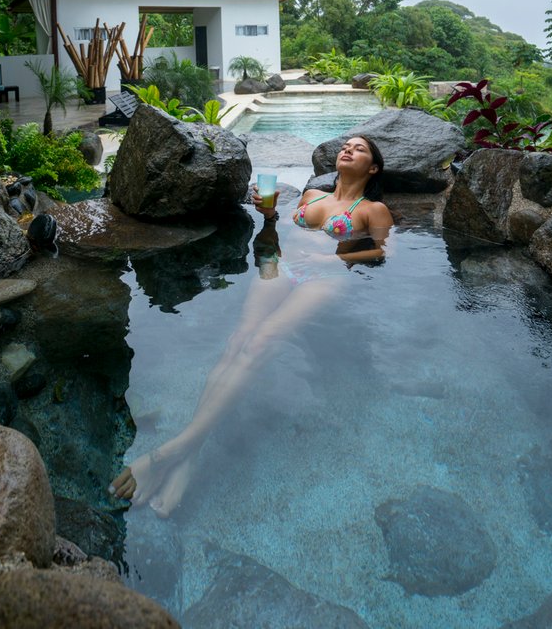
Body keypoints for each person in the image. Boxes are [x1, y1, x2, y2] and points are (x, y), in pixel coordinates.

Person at [109, 134, 393, 517]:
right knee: (238, 340)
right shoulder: (311, 197)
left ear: (372, 167)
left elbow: (382, 252)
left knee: (263, 340)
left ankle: (171, 451)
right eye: (347, 145)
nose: (348, 150)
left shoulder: (373, 209)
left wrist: (338, 261)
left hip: (325, 278)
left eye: (360, 149)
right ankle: (189, 456)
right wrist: (270, 214)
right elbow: (278, 228)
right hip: (281, 265)